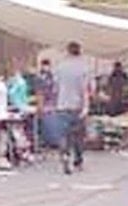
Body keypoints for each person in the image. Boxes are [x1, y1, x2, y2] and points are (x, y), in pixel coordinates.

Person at [53, 41, 92, 174]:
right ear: (79, 51)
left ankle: (65, 156)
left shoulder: (59, 67)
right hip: (78, 106)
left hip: (62, 105)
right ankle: (78, 161)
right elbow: (86, 89)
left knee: (64, 135)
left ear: (68, 51)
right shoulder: (84, 68)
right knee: (78, 136)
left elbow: (55, 87)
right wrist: (86, 107)